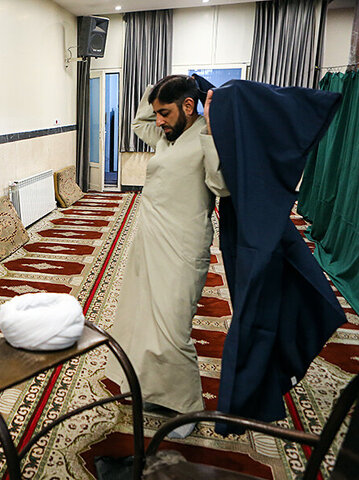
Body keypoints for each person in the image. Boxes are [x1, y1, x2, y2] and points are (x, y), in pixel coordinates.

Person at [106, 75, 229, 439]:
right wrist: (158, 88)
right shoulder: (165, 136)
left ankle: (188, 408)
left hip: (182, 246)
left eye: (166, 112)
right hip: (149, 240)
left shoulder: (206, 135)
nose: (157, 120)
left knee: (173, 330)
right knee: (143, 320)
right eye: (158, 113)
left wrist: (210, 132)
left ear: (189, 108)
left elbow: (222, 186)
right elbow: (138, 122)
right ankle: (156, 392)